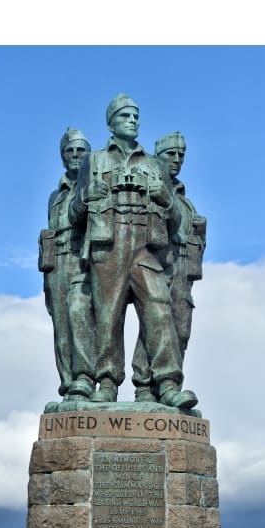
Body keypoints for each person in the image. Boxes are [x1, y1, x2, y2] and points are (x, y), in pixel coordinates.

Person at [70, 94, 197, 408]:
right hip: (108, 247)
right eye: (126, 116)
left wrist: (165, 197)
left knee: (159, 310)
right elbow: (73, 213)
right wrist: (87, 196)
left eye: (136, 117)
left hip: (145, 248)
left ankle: (167, 383)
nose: (132, 121)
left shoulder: (154, 164)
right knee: (108, 317)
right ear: (111, 122)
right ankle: (107, 384)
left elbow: (177, 219)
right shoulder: (95, 160)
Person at [131, 132, 207, 402]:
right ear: (156, 157)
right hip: (155, 265)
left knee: (180, 330)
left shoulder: (185, 200)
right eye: (170, 154)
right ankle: (145, 385)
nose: (176, 160)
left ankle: (164, 390)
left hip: (183, 274)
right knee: (154, 324)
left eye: (181, 155)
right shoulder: (148, 189)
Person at [38, 128, 96, 401]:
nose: (74, 155)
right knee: (61, 327)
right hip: (55, 265)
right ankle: (69, 386)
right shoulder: (55, 196)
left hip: (80, 260)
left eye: (80, 150)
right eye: (69, 150)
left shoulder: (94, 185)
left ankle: (85, 379)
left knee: (79, 315)